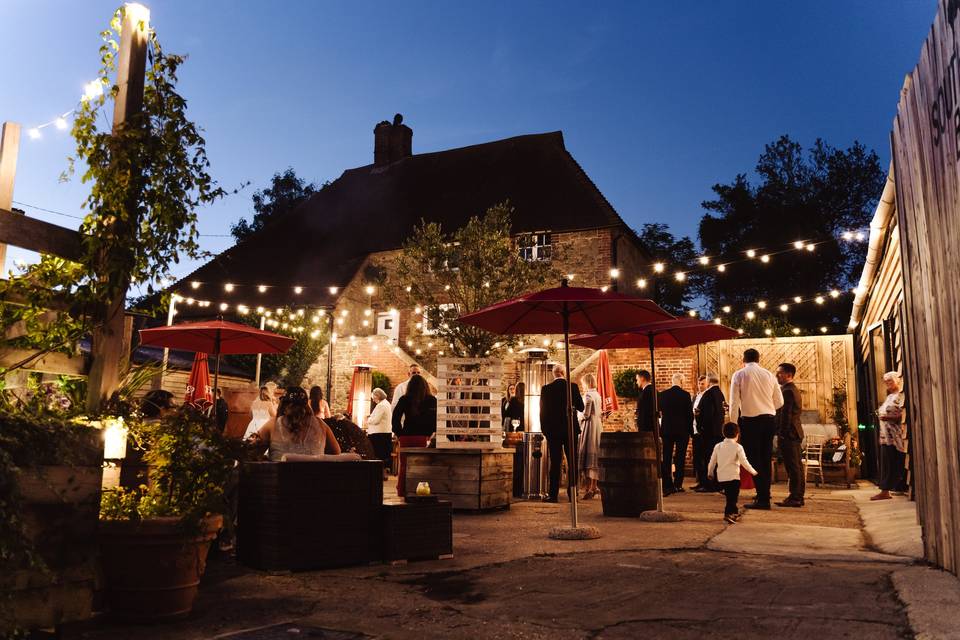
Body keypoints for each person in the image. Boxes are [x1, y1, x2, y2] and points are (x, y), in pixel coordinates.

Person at [728, 348, 783, 510]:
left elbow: (734, 403)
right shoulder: (769, 375)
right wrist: (766, 407)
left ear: (743, 359)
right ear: (759, 359)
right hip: (769, 420)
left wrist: (733, 425)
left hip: (750, 422)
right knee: (765, 459)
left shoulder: (739, 374)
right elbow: (780, 402)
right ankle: (764, 495)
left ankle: (763, 499)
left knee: (754, 460)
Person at [252, 386, 340, 461]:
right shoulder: (321, 425)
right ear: (306, 405)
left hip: (281, 479)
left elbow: (253, 453)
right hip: (314, 478)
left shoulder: (273, 424)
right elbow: (336, 452)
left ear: (283, 405)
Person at [539, 364, 585, 503]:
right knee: (572, 461)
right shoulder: (573, 387)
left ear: (554, 374)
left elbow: (542, 412)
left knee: (555, 463)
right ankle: (572, 494)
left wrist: (545, 430)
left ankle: (553, 495)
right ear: (564, 373)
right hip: (570, 429)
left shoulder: (546, 389)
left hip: (553, 431)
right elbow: (581, 407)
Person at [391, 374, 437, 497]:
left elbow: (395, 417)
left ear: (410, 386)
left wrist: (399, 433)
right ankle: (418, 492)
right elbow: (435, 420)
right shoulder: (432, 400)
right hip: (423, 437)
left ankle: (401, 491)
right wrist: (430, 433)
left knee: (404, 467)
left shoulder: (404, 399)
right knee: (421, 466)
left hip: (406, 437)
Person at [708, 422, 758, 524]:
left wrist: (710, 473)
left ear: (723, 433)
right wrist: (753, 471)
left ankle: (734, 513)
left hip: (721, 477)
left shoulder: (718, 446)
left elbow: (712, 461)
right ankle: (728, 514)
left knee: (730, 496)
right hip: (733, 477)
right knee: (732, 498)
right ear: (737, 434)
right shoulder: (738, 447)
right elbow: (744, 462)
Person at [873, 371, 907, 501]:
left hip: (895, 436)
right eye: (886, 382)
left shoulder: (900, 396)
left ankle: (887, 489)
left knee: (893, 462)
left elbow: (902, 415)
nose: (888, 384)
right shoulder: (890, 397)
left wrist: (887, 417)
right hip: (885, 436)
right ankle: (885, 490)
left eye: (890, 381)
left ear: (897, 381)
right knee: (886, 463)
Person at [775, 363, 805, 507]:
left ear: (788, 375)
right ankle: (798, 496)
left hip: (790, 433)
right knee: (797, 466)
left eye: (779, 373)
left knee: (793, 467)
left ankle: (795, 497)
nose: (777, 375)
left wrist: (782, 433)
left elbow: (785, 415)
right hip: (794, 432)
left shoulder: (788, 391)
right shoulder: (791, 389)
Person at [659, 373, 694, 495]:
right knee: (680, 457)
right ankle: (678, 484)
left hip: (667, 430)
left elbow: (659, 413)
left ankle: (667, 484)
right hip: (682, 430)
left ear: (672, 381)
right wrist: (691, 431)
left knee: (667, 456)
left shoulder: (663, 395)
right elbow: (690, 415)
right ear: (682, 382)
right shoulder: (685, 395)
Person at [693, 372, 725, 492]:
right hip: (718, 431)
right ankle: (717, 484)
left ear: (709, 381)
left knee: (709, 459)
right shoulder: (720, 394)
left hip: (708, 433)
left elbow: (706, 415)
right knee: (716, 459)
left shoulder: (709, 394)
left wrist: (699, 423)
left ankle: (709, 485)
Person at [578, 373, 603, 499]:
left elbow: (586, 414)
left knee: (588, 454)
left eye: (583, 383)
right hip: (597, 425)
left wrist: (577, 415)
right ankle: (594, 486)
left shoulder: (588, 395)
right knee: (595, 456)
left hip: (589, 427)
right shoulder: (598, 395)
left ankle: (588, 488)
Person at [367, 387, 394, 477]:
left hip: (379, 434)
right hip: (384, 432)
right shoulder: (386, 404)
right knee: (384, 454)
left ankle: (379, 474)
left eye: (374, 398)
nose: (373, 400)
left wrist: (368, 419)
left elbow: (376, 420)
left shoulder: (381, 405)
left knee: (378, 454)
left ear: (377, 396)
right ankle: (383, 473)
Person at [690, 375, 709, 490]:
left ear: (707, 384)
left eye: (702, 383)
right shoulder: (695, 397)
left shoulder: (707, 396)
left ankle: (706, 483)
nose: (700, 385)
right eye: (699, 383)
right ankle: (700, 481)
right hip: (695, 430)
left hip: (703, 431)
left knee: (704, 458)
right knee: (697, 458)